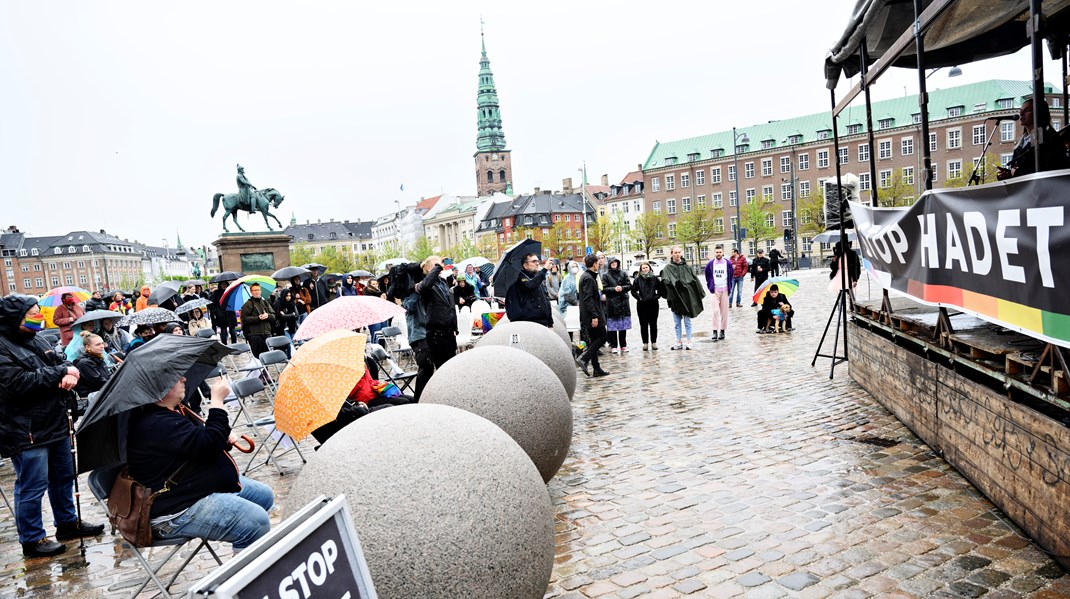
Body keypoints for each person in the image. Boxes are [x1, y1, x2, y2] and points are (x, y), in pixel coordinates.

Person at [0, 295, 104, 558]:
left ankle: (67, 523)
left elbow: (57, 361)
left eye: (38, 311)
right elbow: (16, 383)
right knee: (32, 485)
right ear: (16, 318)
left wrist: (66, 370)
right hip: (26, 428)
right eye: (32, 313)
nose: (38, 317)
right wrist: (59, 374)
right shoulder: (3, 346)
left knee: (63, 476)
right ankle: (32, 538)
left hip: (54, 420)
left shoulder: (36, 338)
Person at [127, 375, 273, 552]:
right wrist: (217, 401)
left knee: (263, 495)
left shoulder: (173, 412)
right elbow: (207, 445)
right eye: (175, 377)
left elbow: (198, 444)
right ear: (160, 391)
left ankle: (254, 554)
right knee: (255, 522)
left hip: (194, 488)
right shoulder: (156, 423)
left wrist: (222, 439)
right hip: (175, 509)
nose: (183, 378)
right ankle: (247, 576)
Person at [404, 256, 458, 400]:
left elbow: (450, 306)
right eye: (436, 265)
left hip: (445, 331)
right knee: (427, 368)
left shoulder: (442, 283)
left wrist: (455, 327)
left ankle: (447, 396)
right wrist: (438, 267)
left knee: (448, 366)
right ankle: (420, 399)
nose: (439, 267)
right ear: (428, 268)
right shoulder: (420, 286)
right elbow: (412, 303)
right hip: (427, 333)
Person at [998, 98, 1070, 180]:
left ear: (1039, 113)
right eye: (1021, 110)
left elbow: (1049, 168)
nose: (1021, 113)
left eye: (1027, 110)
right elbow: (1016, 168)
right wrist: (1006, 174)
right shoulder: (1021, 142)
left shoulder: (1049, 139)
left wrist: (1017, 173)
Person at [659, 246, 705, 350]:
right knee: (677, 322)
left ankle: (689, 341)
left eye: (679, 252)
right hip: (675, 298)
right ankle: (678, 341)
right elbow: (665, 281)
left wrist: (699, 293)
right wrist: (672, 286)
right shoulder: (668, 268)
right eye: (675, 252)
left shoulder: (687, 267)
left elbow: (694, 280)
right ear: (671, 254)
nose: (677, 254)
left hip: (687, 298)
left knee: (687, 321)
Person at [576, 253, 609, 377]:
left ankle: (596, 368)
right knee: (603, 338)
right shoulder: (588, 278)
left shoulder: (587, 276)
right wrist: (595, 316)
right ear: (594, 264)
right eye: (598, 262)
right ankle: (584, 358)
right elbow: (588, 299)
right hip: (592, 315)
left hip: (589, 314)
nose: (599, 264)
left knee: (594, 340)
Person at [505, 254, 553, 328]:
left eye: (537, 261)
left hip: (543, 323)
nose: (537, 263)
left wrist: (550, 323)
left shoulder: (538, 279)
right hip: (529, 324)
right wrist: (544, 269)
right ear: (525, 265)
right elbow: (530, 286)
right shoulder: (522, 280)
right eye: (534, 261)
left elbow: (546, 301)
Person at [703, 245, 734, 342]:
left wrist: (729, 287)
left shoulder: (727, 263)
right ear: (714, 253)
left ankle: (722, 330)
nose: (718, 254)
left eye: (720, 252)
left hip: (725, 290)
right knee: (715, 311)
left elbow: (731, 275)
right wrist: (710, 285)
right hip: (715, 290)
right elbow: (707, 275)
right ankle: (715, 330)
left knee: (724, 312)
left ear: (723, 252)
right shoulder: (711, 264)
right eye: (717, 252)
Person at [601, 258, 632, 353]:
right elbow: (603, 288)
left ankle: (623, 345)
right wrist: (614, 289)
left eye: (615, 262)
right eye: (612, 263)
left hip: (623, 302)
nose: (614, 264)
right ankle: (613, 345)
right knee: (612, 326)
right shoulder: (606, 276)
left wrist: (622, 288)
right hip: (612, 303)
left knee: (622, 326)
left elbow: (629, 285)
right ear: (609, 264)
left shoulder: (623, 273)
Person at [630, 261, 661, 351]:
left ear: (650, 268)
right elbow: (633, 291)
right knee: (643, 324)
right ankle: (645, 343)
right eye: (643, 268)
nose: (645, 269)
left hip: (653, 304)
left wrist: (656, 297)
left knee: (653, 324)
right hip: (642, 305)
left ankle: (654, 342)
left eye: (646, 267)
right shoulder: (637, 279)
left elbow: (661, 289)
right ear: (641, 270)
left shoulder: (655, 278)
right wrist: (639, 297)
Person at [239, 283, 275, 359]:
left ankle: (265, 371)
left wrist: (268, 316)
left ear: (260, 291)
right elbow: (244, 319)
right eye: (254, 290)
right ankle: (261, 370)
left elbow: (273, 316)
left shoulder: (265, 302)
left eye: (258, 290)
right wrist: (258, 318)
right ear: (251, 292)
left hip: (267, 332)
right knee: (258, 357)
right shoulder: (248, 304)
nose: (256, 292)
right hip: (254, 334)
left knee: (267, 357)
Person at [73, 332, 111, 396]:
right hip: (92, 398)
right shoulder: (85, 363)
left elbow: (108, 376)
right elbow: (99, 384)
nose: (102, 346)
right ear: (88, 347)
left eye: (102, 343)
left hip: (103, 392)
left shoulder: (99, 358)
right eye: (98, 344)